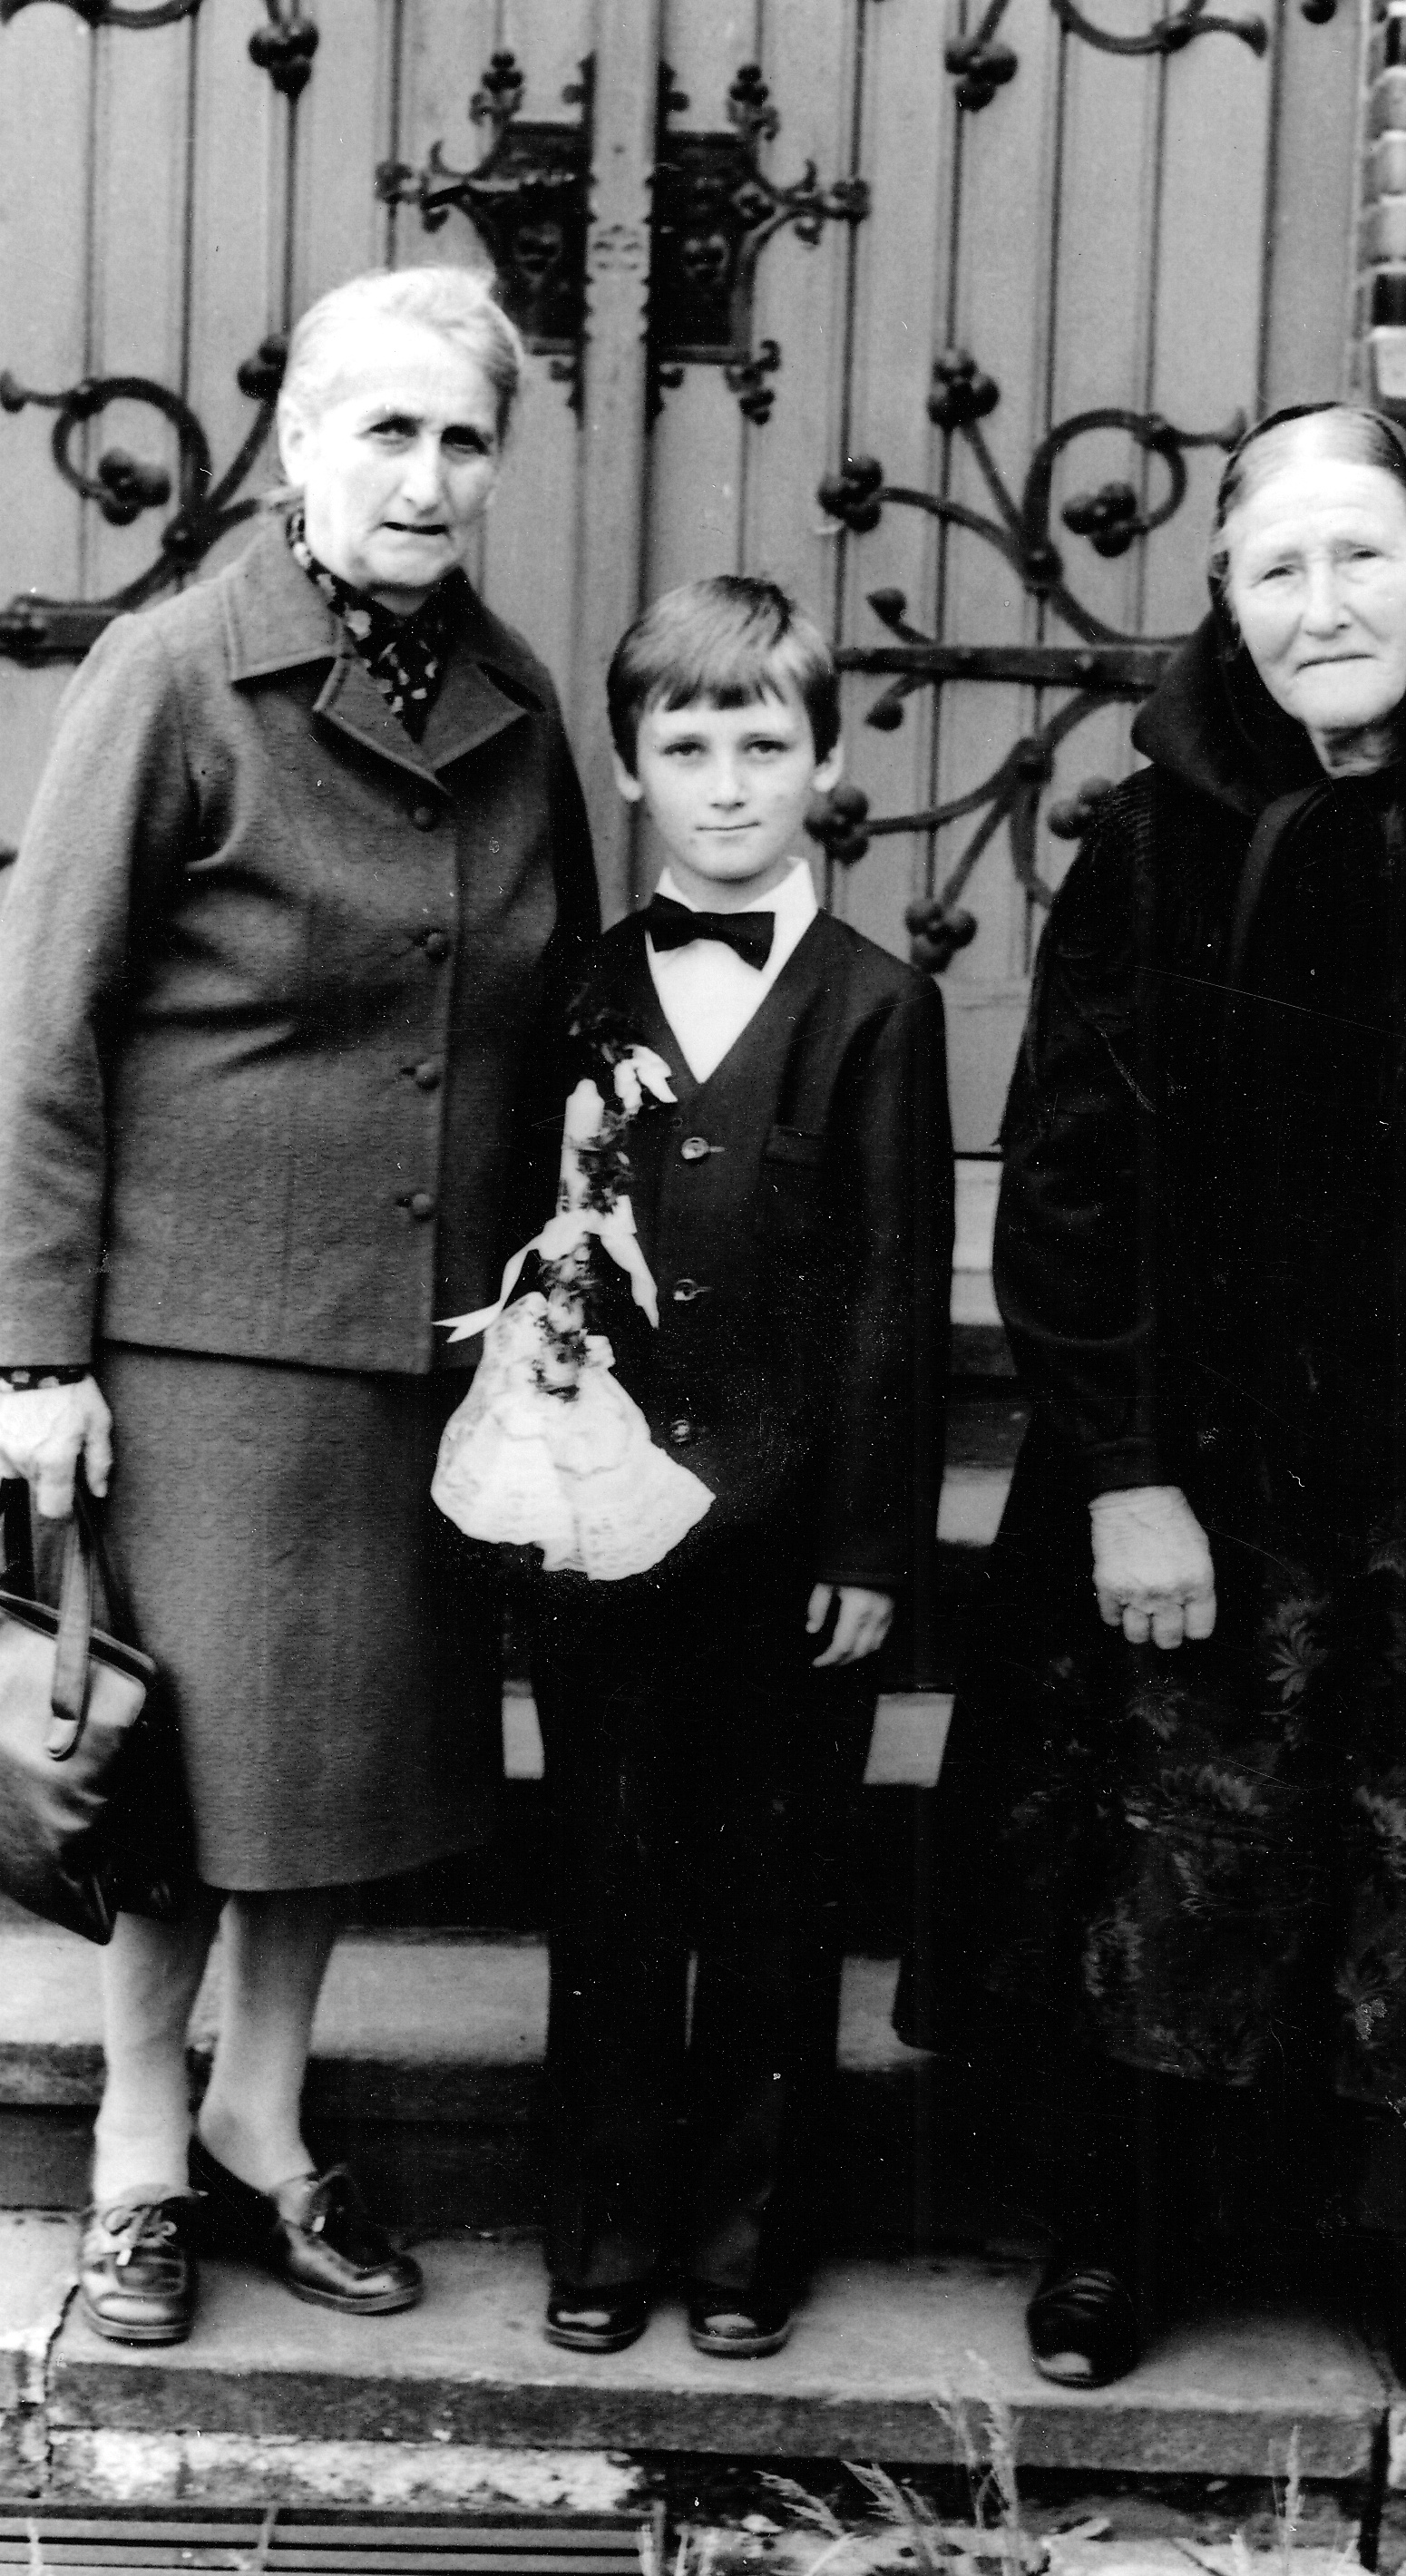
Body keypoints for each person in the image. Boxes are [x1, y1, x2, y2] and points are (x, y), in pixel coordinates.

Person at [898, 405, 1406, 2412]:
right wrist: (1121, 1474)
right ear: (1223, 602)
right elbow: (1069, 1172)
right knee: (1159, 1848)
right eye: (1278, 567)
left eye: (1359, 556)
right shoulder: (1149, 832)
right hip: (1208, 1469)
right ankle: (1120, 2228)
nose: (1322, 603)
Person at [0, 265, 599, 2347]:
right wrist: (37, 1354)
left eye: (464, 441)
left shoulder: (514, 701)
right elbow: (44, 1032)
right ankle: (137, 2152)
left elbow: (558, 1007)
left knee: (332, 1777)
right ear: (298, 444)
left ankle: (262, 2111)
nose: (426, 478)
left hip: (422, 1348)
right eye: (388, 432)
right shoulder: (175, 672)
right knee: (185, 1787)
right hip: (207, 1347)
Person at [525, 575, 953, 2360]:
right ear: (629, 768)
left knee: (777, 1895)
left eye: (762, 745)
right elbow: (533, 1259)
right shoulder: (574, 992)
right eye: (686, 745)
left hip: (788, 1543)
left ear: (825, 764)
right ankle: (604, 2224)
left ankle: (744, 2239)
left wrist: (867, 1542)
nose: (724, 784)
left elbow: (894, 1287)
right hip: (599, 1531)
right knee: (612, 1875)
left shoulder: (877, 1006)